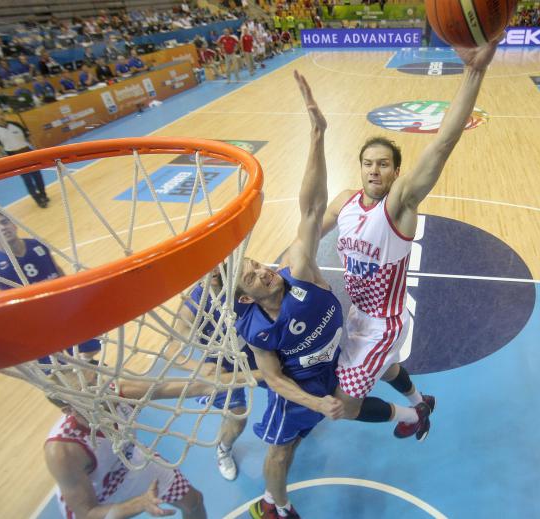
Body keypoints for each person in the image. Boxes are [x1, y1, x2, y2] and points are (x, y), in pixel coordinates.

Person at [318, 41, 500, 439]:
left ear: (396, 172)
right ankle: (421, 400)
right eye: (368, 163)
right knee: (387, 368)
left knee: (342, 406)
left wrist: (474, 73)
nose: (374, 170)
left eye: (383, 164)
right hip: (357, 315)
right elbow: (308, 233)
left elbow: (442, 144)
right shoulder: (345, 202)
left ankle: (411, 416)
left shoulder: (399, 204)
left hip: (385, 323)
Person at [239, 71, 345, 519]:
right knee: (281, 451)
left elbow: (312, 209)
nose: (265, 272)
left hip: (328, 369)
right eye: (253, 277)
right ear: (245, 298)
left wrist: (318, 135)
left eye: (259, 263)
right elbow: (275, 379)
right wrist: (316, 401)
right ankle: (273, 506)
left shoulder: (296, 271)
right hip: (301, 387)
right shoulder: (257, 330)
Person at [44, 372, 208, 519]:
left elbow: (175, 387)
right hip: (98, 496)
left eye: (96, 378)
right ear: (69, 410)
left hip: (130, 465)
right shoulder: (63, 451)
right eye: (89, 390)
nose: (103, 388)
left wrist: (228, 380)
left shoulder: (120, 393)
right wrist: (139, 503)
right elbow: (87, 513)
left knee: (193, 503)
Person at [174, 267, 264, 481]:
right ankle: (223, 449)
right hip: (223, 366)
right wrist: (197, 366)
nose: (213, 270)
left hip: (257, 353)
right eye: (206, 266)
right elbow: (172, 348)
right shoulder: (195, 302)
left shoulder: (241, 282)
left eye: (216, 263)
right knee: (238, 416)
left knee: (285, 385)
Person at [0, 211, 101, 362]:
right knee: (57, 372)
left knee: (93, 347)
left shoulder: (37, 244)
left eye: (4, 222)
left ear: (13, 224)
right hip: (32, 326)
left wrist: (74, 296)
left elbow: (57, 271)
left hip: (62, 313)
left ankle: (86, 369)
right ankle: (83, 375)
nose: (2, 228)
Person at [0, 108, 50, 208]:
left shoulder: (15, 125)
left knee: (37, 175)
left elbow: (29, 138)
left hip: (27, 153)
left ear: (4, 114)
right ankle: (37, 199)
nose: (0, 117)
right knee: (27, 178)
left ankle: (43, 194)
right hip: (13, 156)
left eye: (1, 114)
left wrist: (37, 151)